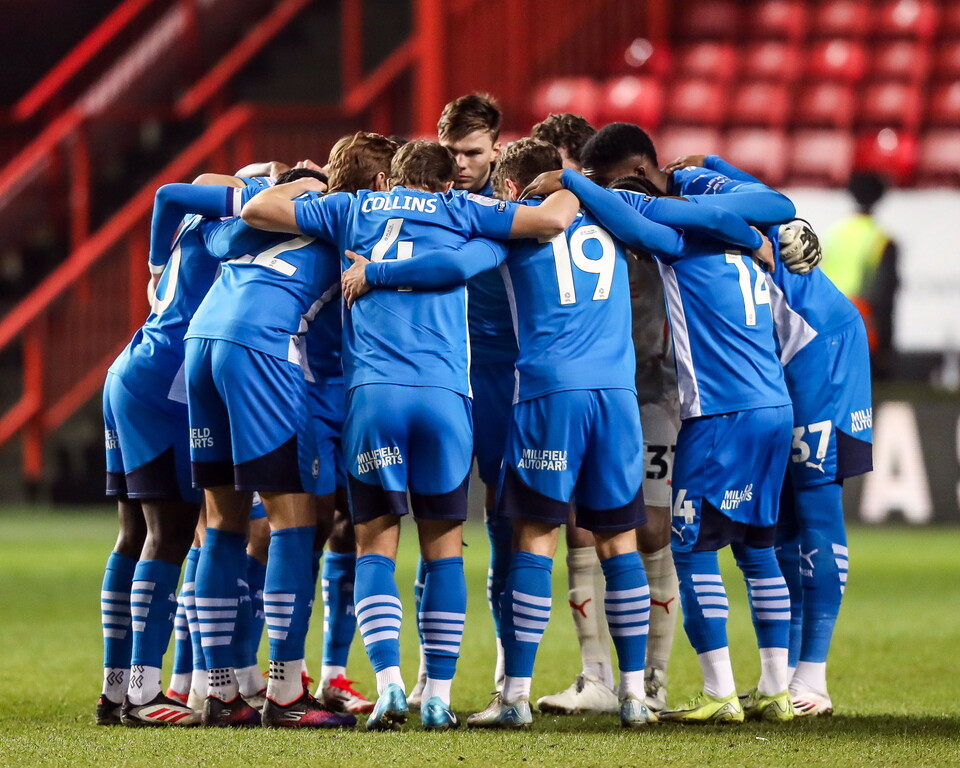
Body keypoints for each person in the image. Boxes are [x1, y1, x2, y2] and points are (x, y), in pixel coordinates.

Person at [242, 138, 578, 730]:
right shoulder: (464, 209)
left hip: (373, 399)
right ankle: (441, 694)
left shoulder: (350, 209)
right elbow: (552, 220)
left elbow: (256, 210)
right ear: (448, 182)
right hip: (446, 400)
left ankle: (391, 685)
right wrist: (566, 182)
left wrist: (301, 181)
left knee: (375, 544)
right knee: (443, 550)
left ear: (389, 180)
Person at [524, 162, 794, 724]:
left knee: (691, 549)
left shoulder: (678, 244)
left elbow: (640, 224)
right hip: (774, 405)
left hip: (721, 413)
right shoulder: (742, 246)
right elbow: (768, 206)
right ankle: (776, 689)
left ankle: (720, 692)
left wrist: (574, 182)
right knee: (759, 550)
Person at [662, 153, 873, 716]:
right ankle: (780, 680)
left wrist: (709, 163)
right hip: (772, 369)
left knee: (815, 503)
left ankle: (813, 678)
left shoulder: (685, 191)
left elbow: (774, 202)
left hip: (816, 346)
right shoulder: (680, 198)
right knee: (774, 526)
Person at [184, 165, 357, 729]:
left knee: (220, 522)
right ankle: (285, 693)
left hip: (201, 342)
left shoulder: (254, 227)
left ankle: (219, 690)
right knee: (293, 522)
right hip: (261, 347)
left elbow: (208, 221)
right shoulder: (347, 224)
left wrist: (267, 188)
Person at [99, 177, 264, 726]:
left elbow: (177, 198)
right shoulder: (246, 215)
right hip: (169, 387)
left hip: (132, 371)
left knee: (135, 534)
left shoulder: (193, 227)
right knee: (179, 533)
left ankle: (117, 687)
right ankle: (150, 694)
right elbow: (172, 191)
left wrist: (152, 263)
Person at [431, 94, 515, 700]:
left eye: (473, 152)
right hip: (446, 382)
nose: (461, 163)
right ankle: (429, 680)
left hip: (509, 383)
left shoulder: (517, 210)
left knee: (510, 529)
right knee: (441, 531)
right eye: (452, 152)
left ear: (497, 149)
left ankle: (511, 677)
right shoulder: (427, 207)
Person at [820, 171, 899, 378]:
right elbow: (883, 297)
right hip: (862, 323)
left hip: (828, 320)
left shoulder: (834, 234)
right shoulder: (881, 239)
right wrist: (885, 348)